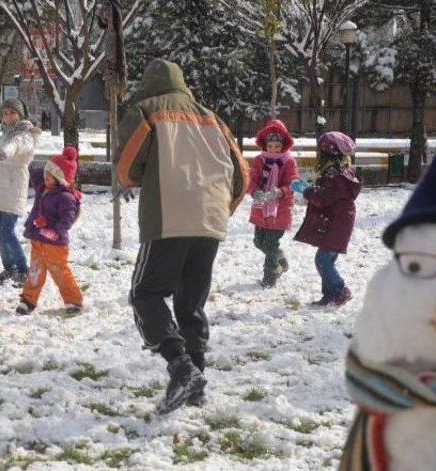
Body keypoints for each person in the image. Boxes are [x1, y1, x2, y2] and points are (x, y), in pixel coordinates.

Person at [116, 59, 249, 414]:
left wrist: (141, 179)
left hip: (168, 217)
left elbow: (127, 166)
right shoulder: (214, 119)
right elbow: (242, 176)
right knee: (191, 304)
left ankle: (181, 367)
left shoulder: (147, 110)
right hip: (211, 220)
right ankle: (196, 385)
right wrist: (219, 209)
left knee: (146, 294)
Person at [0, 98, 41, 286]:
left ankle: (23, 269)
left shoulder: (26, 133)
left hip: (14, 184)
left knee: (7, 230)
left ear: (20, 114)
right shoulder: (4, 134)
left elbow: (17, 145)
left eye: (13, 112)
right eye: (5, 113)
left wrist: (6, 151)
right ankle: (10, 267)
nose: (9, 116)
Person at [293, 131, 361, 306]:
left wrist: (306, 190)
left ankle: (340, 290)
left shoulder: (335, 175)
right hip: (338, 221)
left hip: (337, 223)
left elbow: (323, 198)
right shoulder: (338, 172)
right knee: (327, 259)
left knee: (322, 260)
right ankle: (329, 296)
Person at [15, 147, 83, 316]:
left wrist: (52, 228)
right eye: (46, 172)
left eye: (51, 175)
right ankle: (28, 301)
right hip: (38, 239)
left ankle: (73, 301)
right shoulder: (42, 187)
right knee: (35, 270)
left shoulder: (65, 197)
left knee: (60, 272)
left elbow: (67, 219)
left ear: (60, 178)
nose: (45, 176)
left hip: (55, 243)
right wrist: (48, 166)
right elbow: (35, 174)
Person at [247, 119, 299, 288]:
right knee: (258, 242)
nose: (274, 150)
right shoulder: (260, 160)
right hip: (261, 207)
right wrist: (255, 192)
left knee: (270, 244)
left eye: (277, 147)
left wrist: (279, 192)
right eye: (270, 146)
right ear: (265, 145)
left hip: (280, 209)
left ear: (283, 145)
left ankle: (270, 276)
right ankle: (279, 257)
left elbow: (292, 181)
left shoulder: (288, 161)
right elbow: (252, 179)